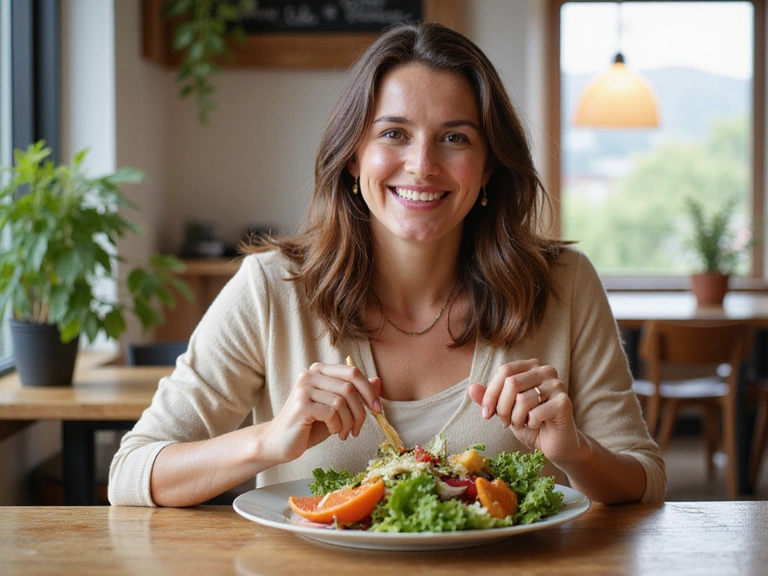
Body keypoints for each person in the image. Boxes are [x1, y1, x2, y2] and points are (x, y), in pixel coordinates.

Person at [108, 22, 665, 507]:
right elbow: (131, 472)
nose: (422, 165)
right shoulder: (271, 288)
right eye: (394, 133)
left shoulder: (565, 284)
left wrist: (577, 452)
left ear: (489, 167)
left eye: (455, 137)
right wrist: (269, 441)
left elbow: (645, 478)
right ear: (353, 156)